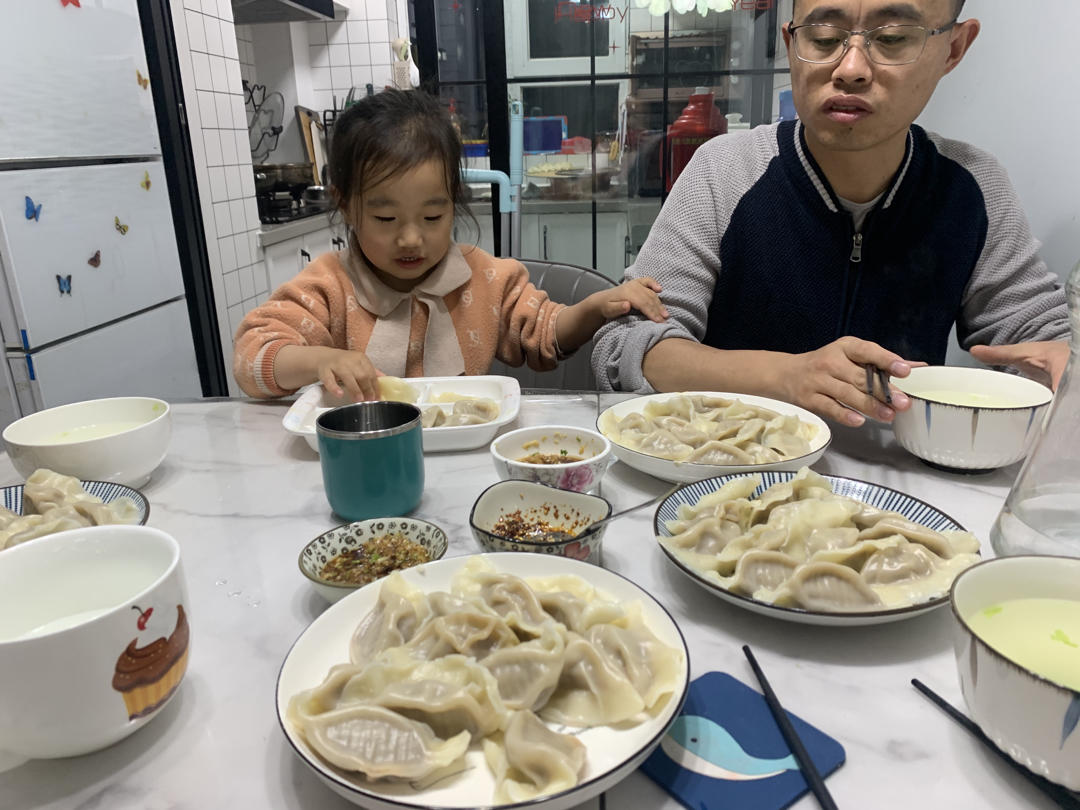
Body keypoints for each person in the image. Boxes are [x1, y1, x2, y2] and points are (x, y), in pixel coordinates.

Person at [591, 0, 1069, 428]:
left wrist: (1060, 365)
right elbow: (627, 344)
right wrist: (787, 377)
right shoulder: (725, 172)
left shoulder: (972, 185)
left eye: (893, 38)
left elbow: (1042, 338)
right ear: (792, 42)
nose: (852, 68)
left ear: (953, 49)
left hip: (895, 491)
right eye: (824, 38)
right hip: (723, 472)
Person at [234, 89, 667, 401]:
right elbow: (252, 358)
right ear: (346, 206)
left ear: (455, 203)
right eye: (386, 219)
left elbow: (544, 334)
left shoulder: (485, 279)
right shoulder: (329, 286)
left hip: (466, 460)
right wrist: (319, 361)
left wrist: (595, 307)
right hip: (366, 459)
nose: (410, 238)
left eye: (432, 217)